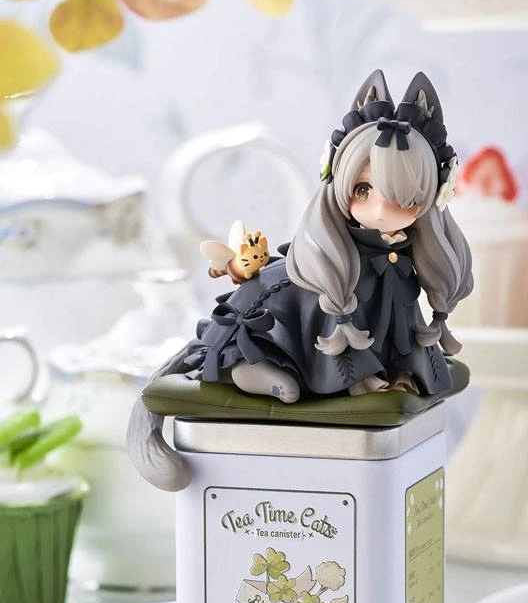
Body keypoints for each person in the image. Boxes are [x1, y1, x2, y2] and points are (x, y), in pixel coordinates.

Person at [127, 70, 473, 490]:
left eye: (404, 197)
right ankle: (249, 368)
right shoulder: (335, 263)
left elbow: (399, 320)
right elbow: (334, 324)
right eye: (364, 190)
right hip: (291, 317)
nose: (380, 210)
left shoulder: (402, 255)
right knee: (312, 321)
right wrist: (361, 381)